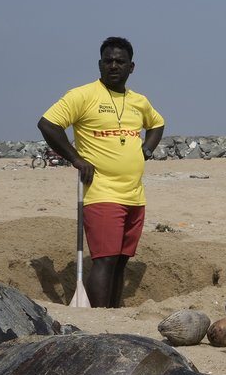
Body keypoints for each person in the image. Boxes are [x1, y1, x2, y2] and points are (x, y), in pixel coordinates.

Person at [37, 36, 164, 308]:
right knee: (105, 258)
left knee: (120, 260)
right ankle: (97, 318)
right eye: (108, 61)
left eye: (120, 61)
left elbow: (157, 124)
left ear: (132, 67)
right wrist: (75, 158)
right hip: (101, 191)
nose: (114, 66)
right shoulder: (82, 95)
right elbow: (48, 124)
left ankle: (114, 313)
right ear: (99, 64)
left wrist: (146, 151)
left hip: (134, 194)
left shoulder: (139, 101)